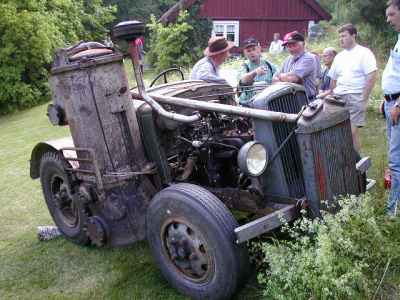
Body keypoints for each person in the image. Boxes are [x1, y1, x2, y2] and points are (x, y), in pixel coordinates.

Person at [325, 24, 377, 152]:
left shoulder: (364, 53)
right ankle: (352, 162)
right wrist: (331, 95)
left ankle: (351, 161)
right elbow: (333, 79)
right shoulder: (339, 57)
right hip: (338, 97)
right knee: (334, 129)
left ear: (354, 35)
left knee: (349, 131)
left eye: (344, 36)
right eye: (339, 36)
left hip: (355, 95)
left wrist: (363, 98)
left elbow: (372, 76)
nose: (341, 39)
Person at [382, 0, 400, 217]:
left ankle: (392, 212)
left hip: (397, 105)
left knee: (395, 162)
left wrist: (398, 103)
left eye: (392, 14)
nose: (388, 19)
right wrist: (386, 98)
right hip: (390, 102)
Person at [273, 31, 319, 101]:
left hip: (307, 101)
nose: (291, 48)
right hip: (290, 101)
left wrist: (280, 77)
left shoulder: (309, 58)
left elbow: (293, 78)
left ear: (303, 44)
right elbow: (273, 79)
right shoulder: (287, 59)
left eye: (294, 45)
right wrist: (284, 77)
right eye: (288, 46)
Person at [237, 37, 277, 105]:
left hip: (266, 103)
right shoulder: (244, 66)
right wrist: (255, 73)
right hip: (248, 104)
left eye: (253, 49)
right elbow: (243, 80)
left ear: (259, 49)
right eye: (248, 51)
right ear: (245, 53)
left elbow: (278, 79)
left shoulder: (269, 65)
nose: (252, 53)